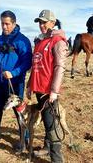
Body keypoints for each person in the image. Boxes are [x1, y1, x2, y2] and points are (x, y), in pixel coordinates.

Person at [0, 10, 32, 145]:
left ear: (14, 23)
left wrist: (13, 73)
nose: (4, 27)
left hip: (15, 83)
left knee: (19, 112)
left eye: (7, 24)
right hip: (0, 82)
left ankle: (24, 138)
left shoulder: (23, 41)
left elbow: (27, 62)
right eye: (2, 24)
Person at [27, 9, 68, 163]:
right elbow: (35, 65)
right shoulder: (39, 42)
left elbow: (59, 67)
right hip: (39, 90)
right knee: (46, 119)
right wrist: (30, 85)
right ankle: (46, 147)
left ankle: (57, 159)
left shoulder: (58, 41)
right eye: (40, 22)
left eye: (44, 22)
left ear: (53, 22)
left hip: (49, 92)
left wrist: (54, 91)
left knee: (52, 125)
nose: (41, 25)